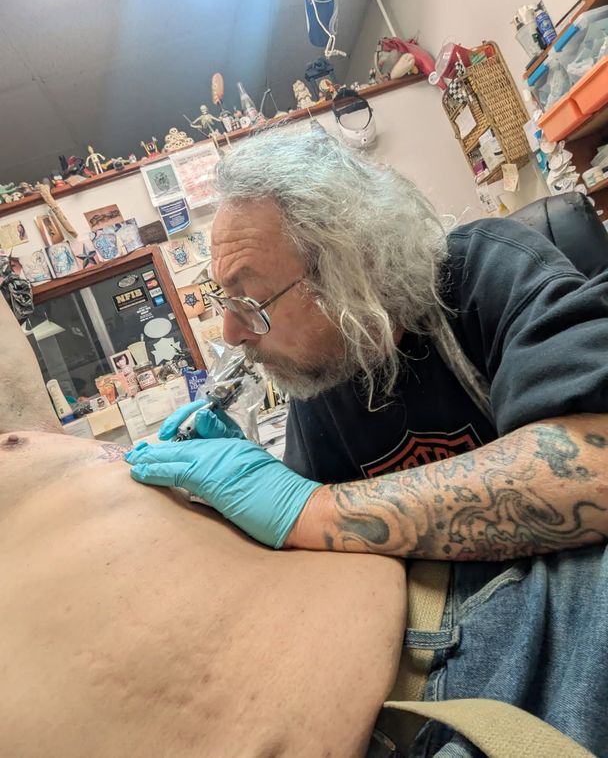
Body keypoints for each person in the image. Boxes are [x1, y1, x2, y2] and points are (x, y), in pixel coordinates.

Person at [128, 128, 608, 756]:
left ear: (352, 265)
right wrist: (234, 510)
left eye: (251, 301)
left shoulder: (488, 271)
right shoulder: (323, 371)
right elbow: (318, 562)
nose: (233, 333)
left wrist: (303, 507)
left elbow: (592, 466)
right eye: (227, 302)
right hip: (435, 640)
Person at [0, 292, 407, 756]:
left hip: (398, 630)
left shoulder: (322, 374)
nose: (232, 332)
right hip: (390, 681)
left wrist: (296, 499)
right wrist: (300, 502)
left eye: (248, 298)